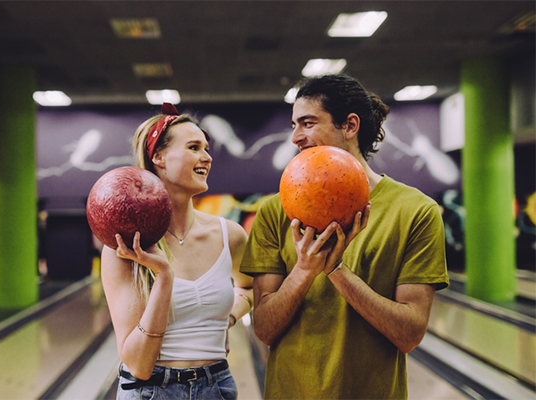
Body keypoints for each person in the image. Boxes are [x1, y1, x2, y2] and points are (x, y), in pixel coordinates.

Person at [240, 74, 449, 399]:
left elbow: (409, 334)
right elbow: (264, 330)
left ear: (350, 125)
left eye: (307, 123)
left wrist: (337, 271)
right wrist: (305, 270)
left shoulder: (416, 211)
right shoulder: (273, 211)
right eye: (294, 124)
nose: (295, 136)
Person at [101, 103, 254, 400]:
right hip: (150, 390)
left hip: (217, 387)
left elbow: (248, 288)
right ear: (158, 157)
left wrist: (229, 319)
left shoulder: (230, 235)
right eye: (194, 147)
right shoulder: (126, 246)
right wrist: (163, 277)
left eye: (206, 148)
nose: (207, 157)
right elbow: (138, 364)